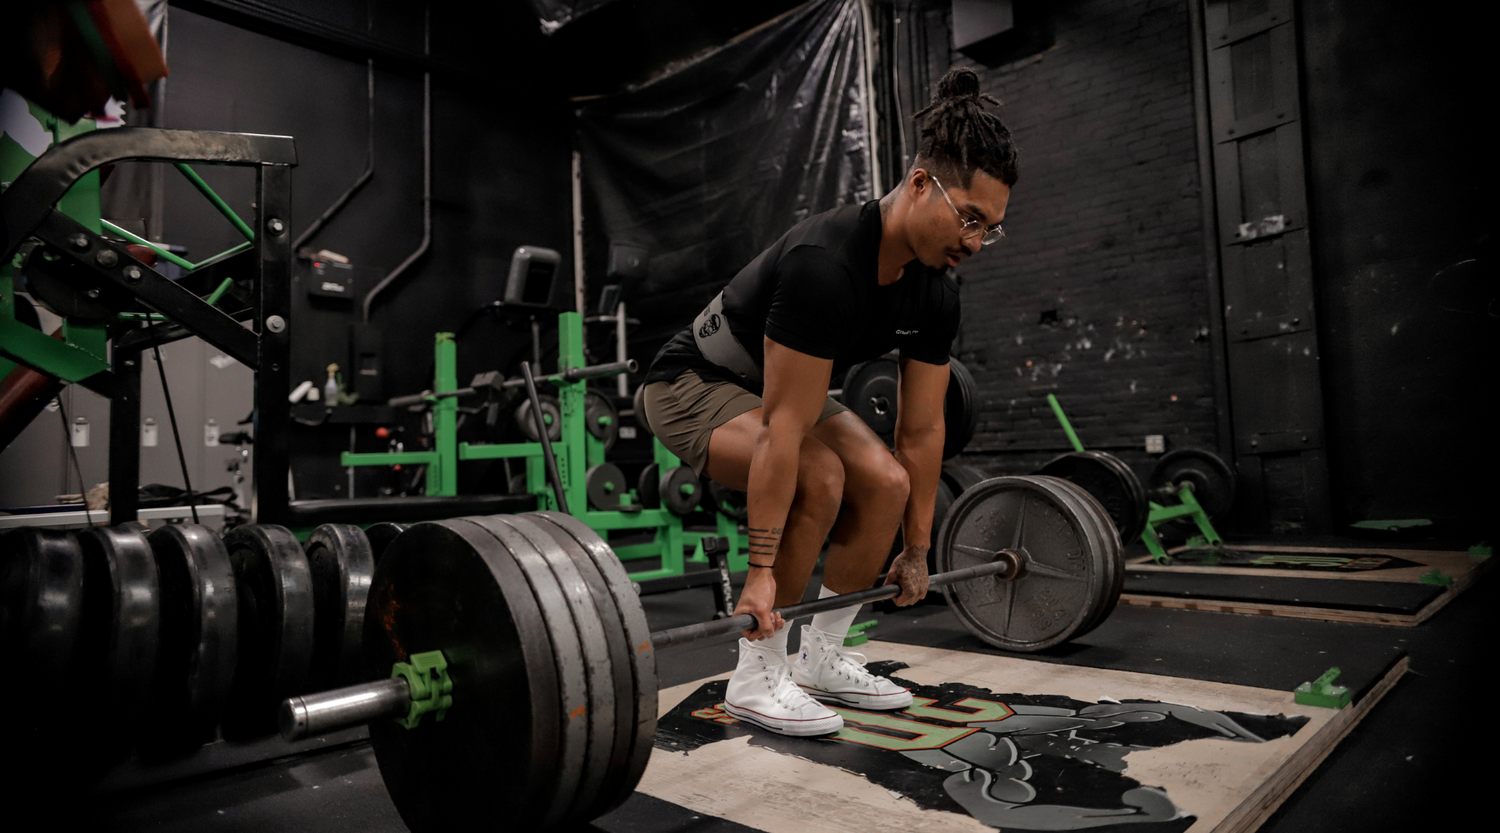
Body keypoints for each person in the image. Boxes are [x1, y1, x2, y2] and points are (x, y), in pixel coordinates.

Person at [639, 66, 1019, 737]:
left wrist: (917, 549)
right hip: (688, 385)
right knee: (822, 475)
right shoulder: (827, 263)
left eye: (990, 228)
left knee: (887, 481)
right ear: (920, 183)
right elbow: (784, 429)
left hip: (771, 388)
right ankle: (757, 672)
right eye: (969, 219)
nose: (975, 243)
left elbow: (923, 430)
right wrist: (759, 572)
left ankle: (823, 657)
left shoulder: (936, 290)